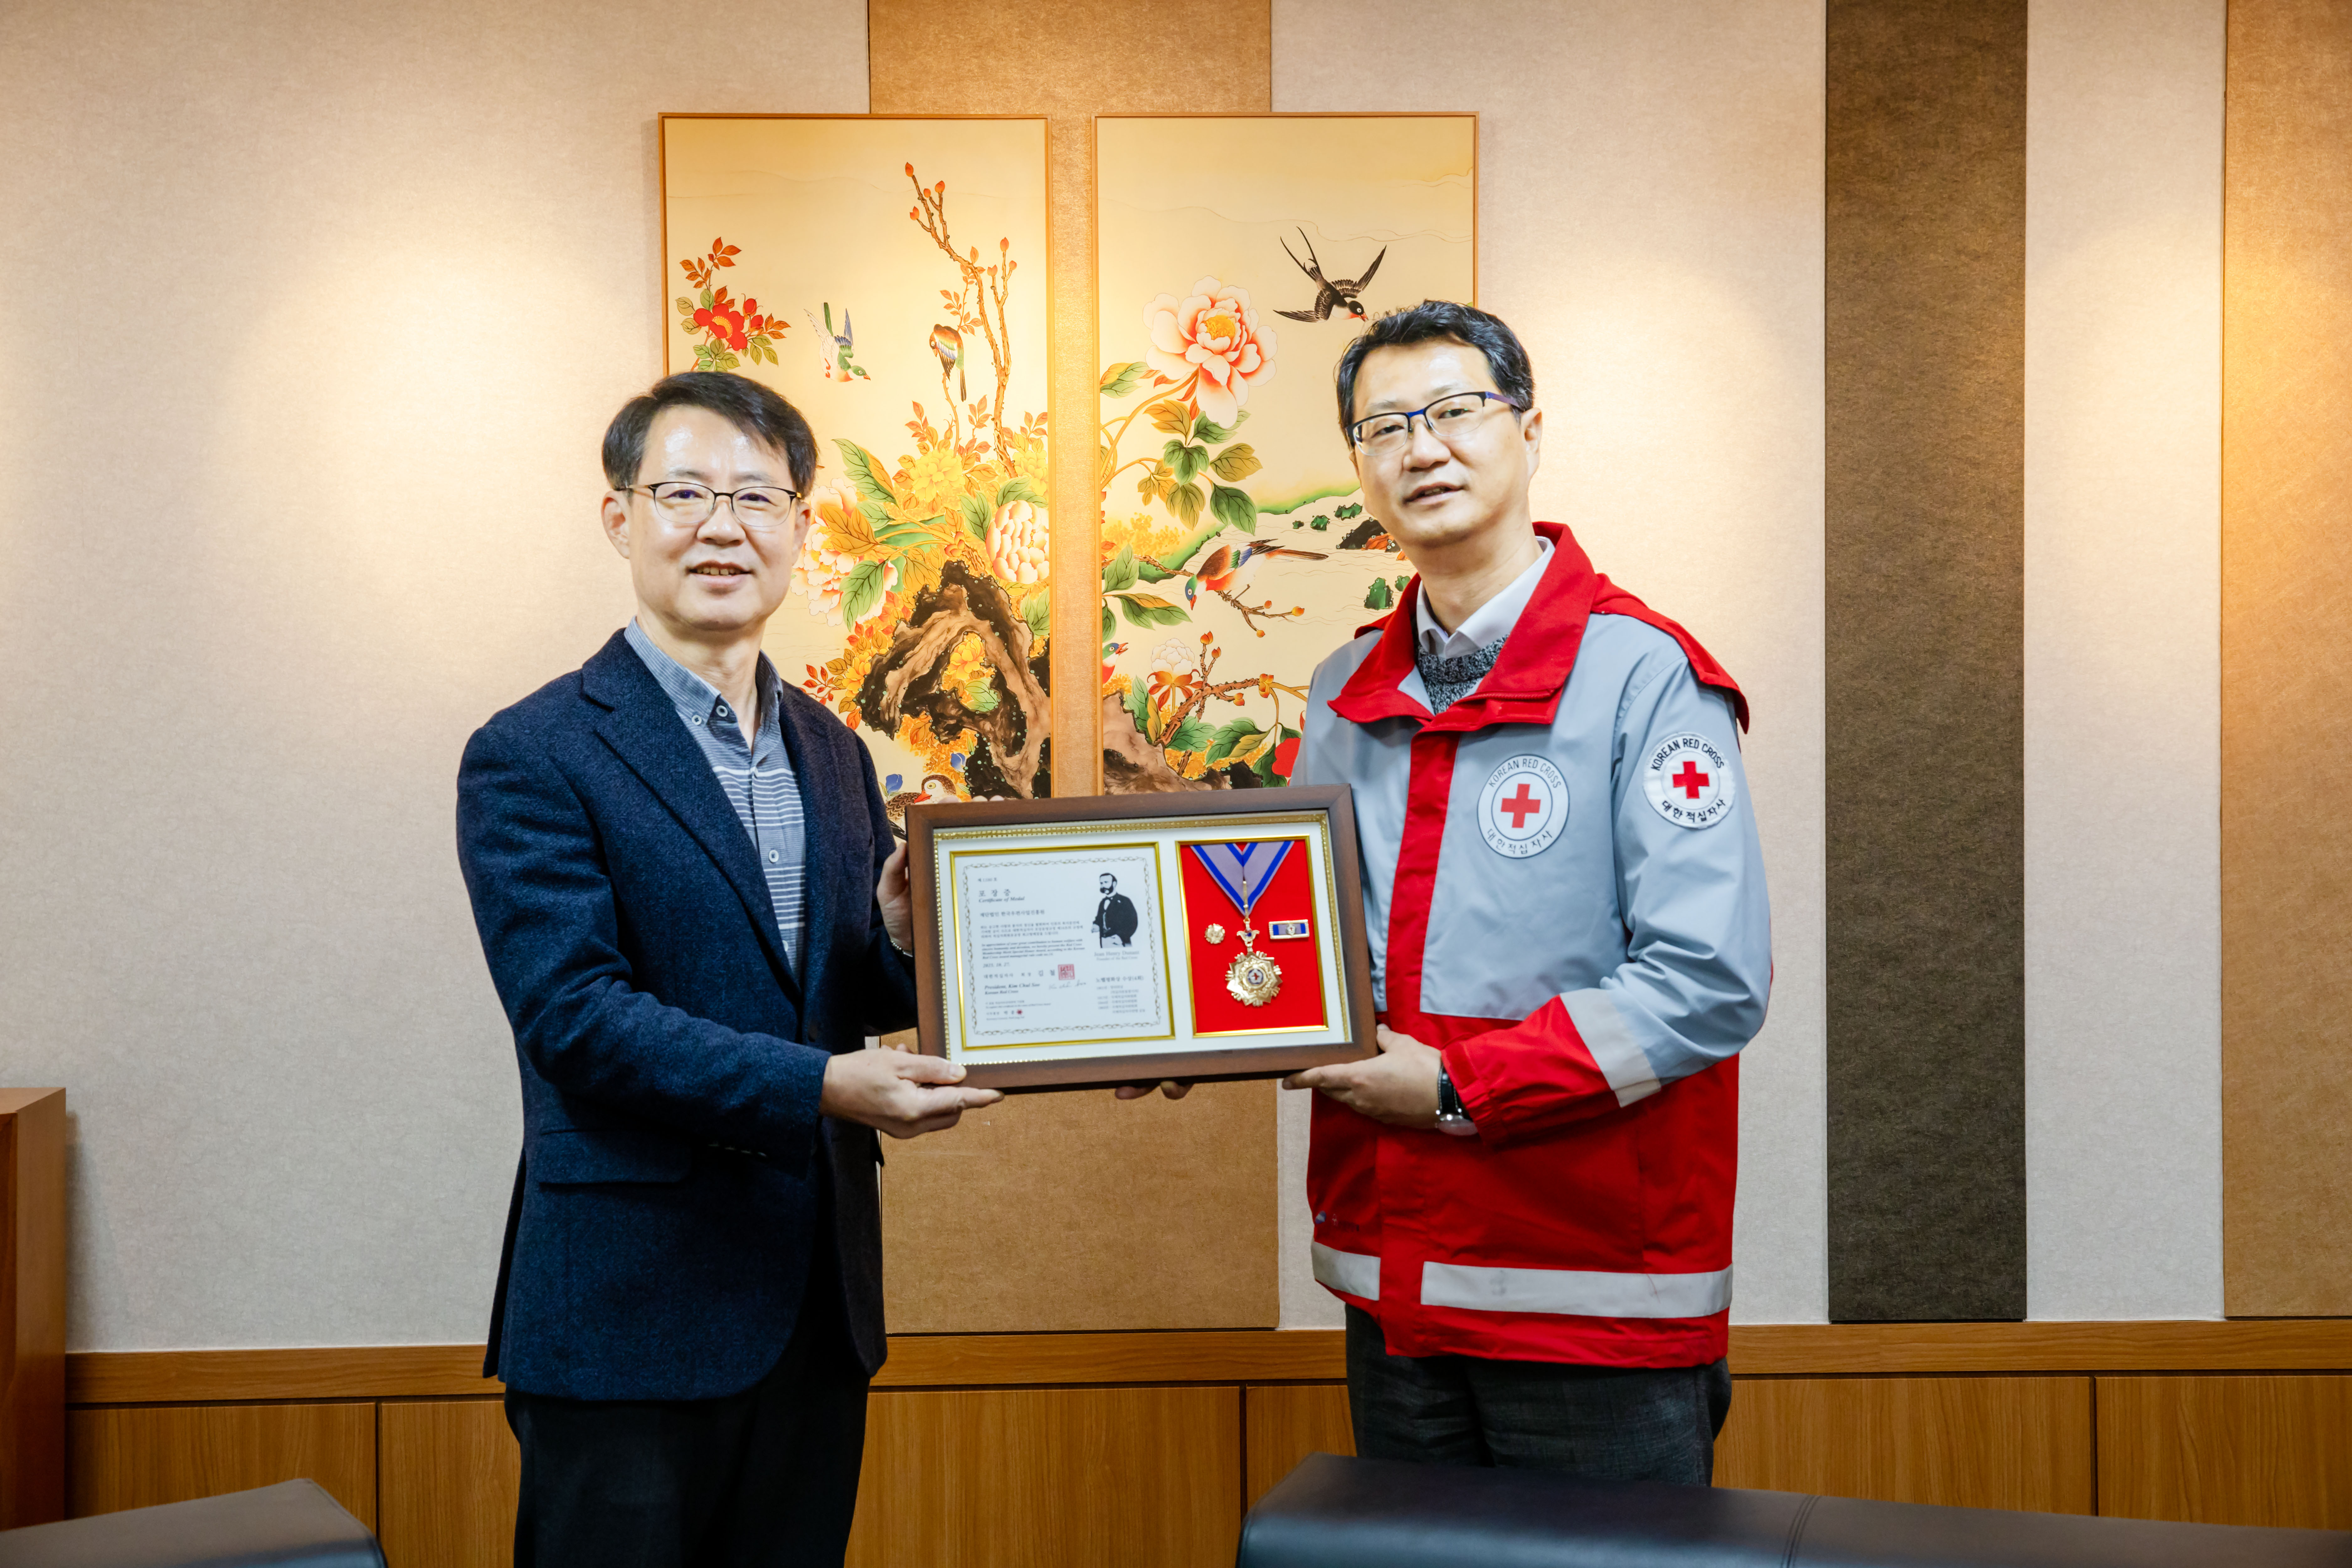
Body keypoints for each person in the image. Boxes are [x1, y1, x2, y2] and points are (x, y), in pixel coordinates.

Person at [455, 372, 1001, 1568]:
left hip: (813, 1303)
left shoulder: (830, 745)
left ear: (801, 528)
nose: (722, 526)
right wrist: (820, 1088)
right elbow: (576, 1018)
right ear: (622, 518)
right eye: (686, 491)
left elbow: (834, 985)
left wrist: (904, 941)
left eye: (758, 496)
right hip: (626, 1313)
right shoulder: (533, 752)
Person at [1284, 301, 1770, 1480]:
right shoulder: (1345, 685)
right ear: (1358, 467)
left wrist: (1453, 1086)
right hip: (1391, 1274)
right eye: (1383, 426)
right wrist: (1188, 1026)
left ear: (1528, 430)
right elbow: (1299, 950)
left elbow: (1706, 980)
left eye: (1455, 411)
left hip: (1590, 1286)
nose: (1420, 447)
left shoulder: (1643, 674)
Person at [1093, 872, 1140, 947]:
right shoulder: (1103, 902)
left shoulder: (1125, 901)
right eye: (1101, 883)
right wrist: (1097, 925)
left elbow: (1133, 922)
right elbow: (1100, 918)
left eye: (1106, 882)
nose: (1103, 886)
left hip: (1121, 942)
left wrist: (1121, 936)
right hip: (1104, 941)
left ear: (1114, 884)